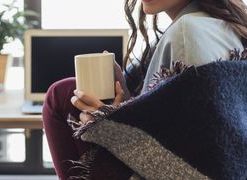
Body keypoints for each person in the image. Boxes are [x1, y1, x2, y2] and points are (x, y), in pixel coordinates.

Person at [43, 0, 247, 179]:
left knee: (61, 94)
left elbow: (195, 162)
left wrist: (105, 126)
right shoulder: (223, 25)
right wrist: (126, 102)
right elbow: (182, 124)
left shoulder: (189, 31)